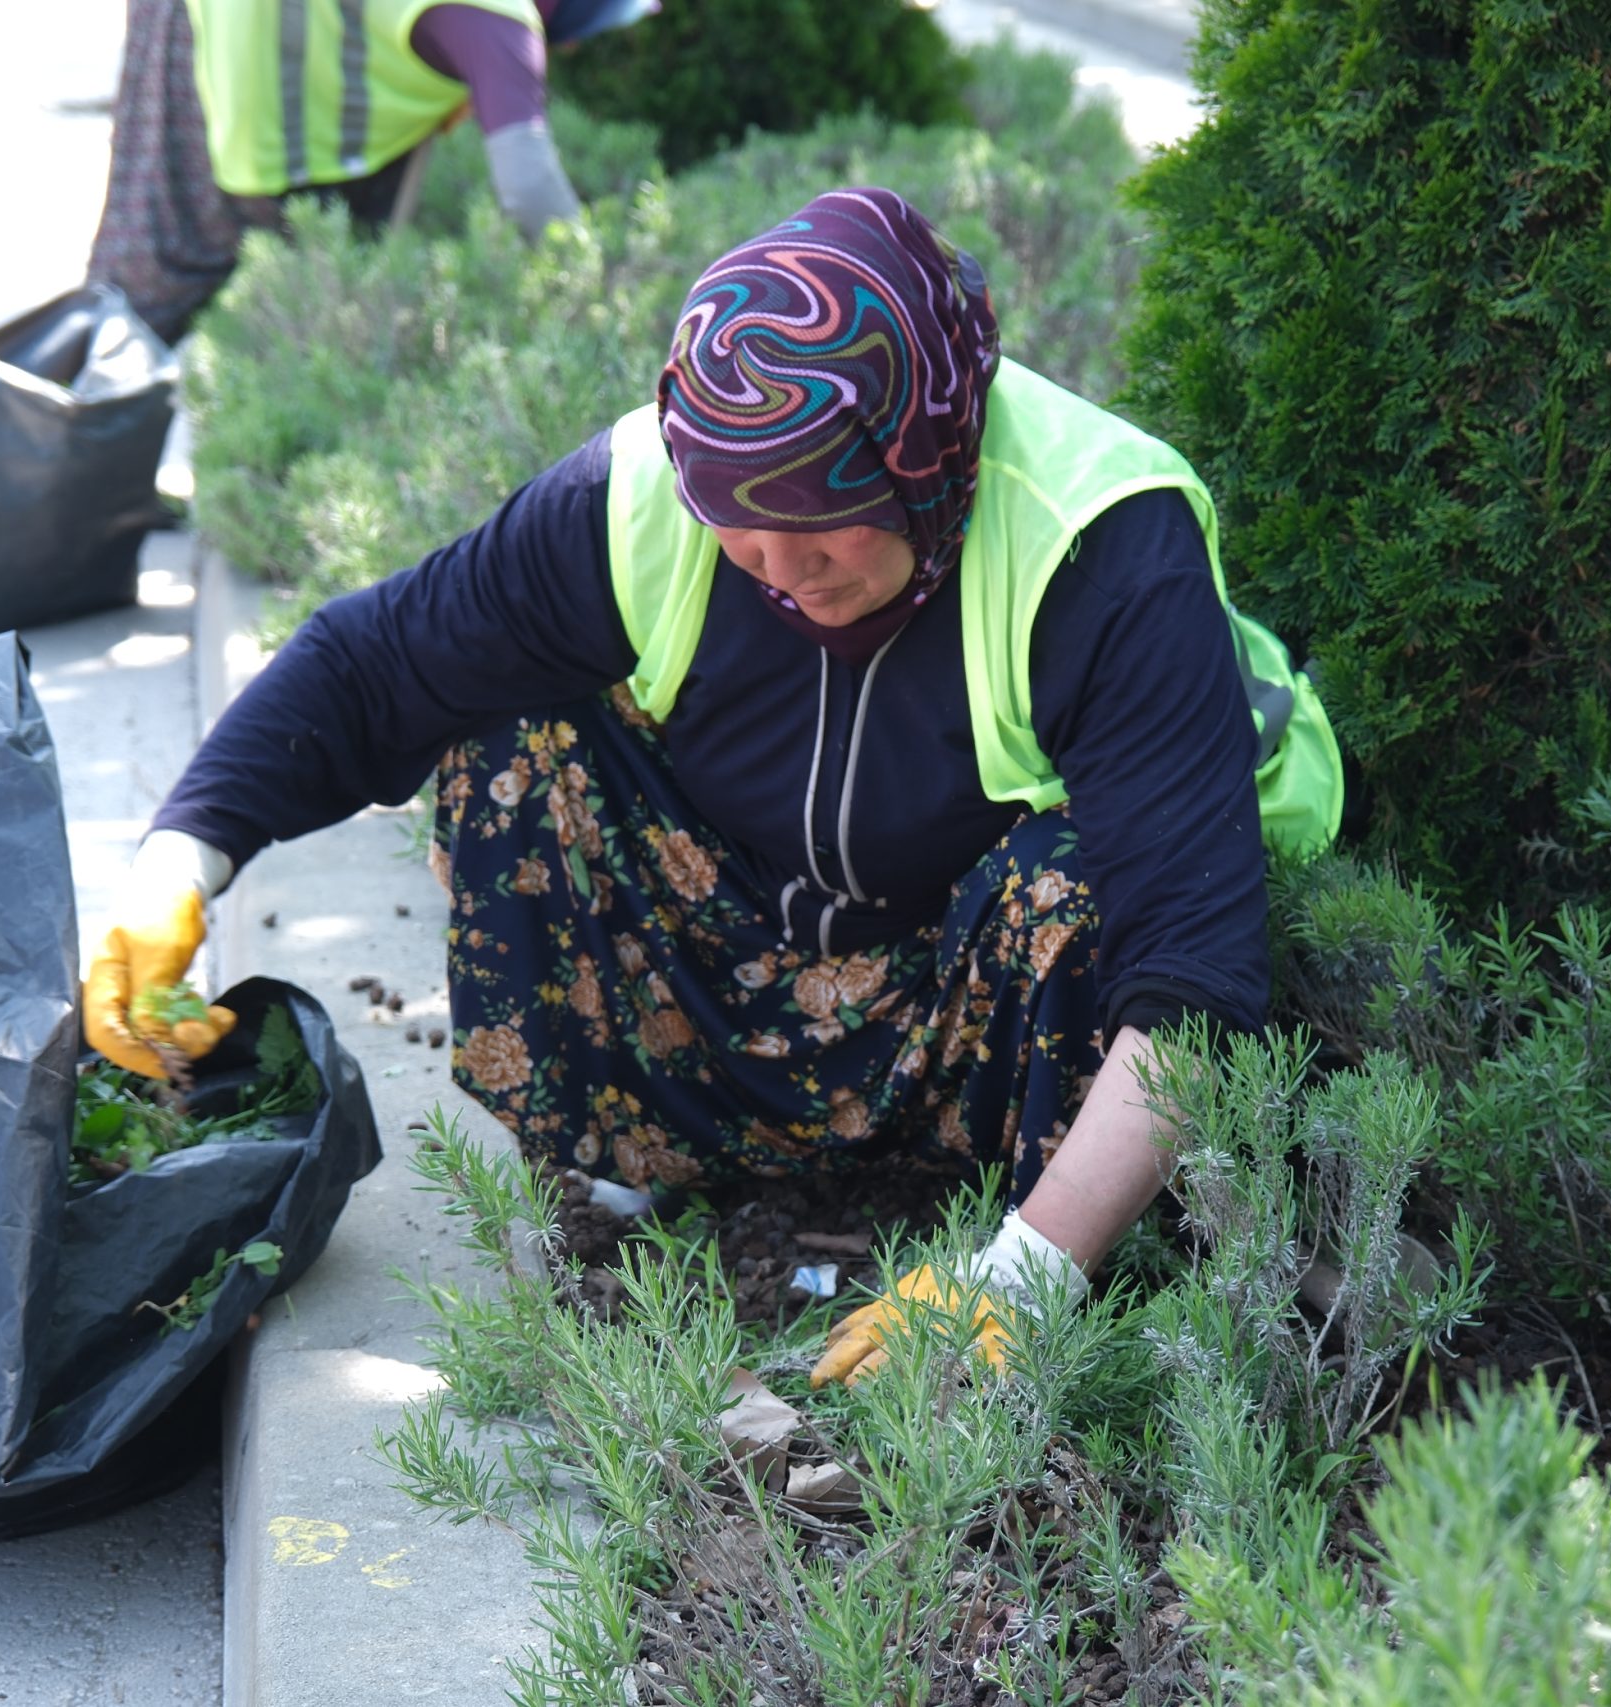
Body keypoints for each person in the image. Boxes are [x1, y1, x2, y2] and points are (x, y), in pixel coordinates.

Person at [83, 188, 1344, 1382]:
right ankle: (648, 1176)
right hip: (757, 974)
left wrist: (1027, 1278)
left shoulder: (1099, 549)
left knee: (1075, 890)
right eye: (741, 531)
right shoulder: (641, 498)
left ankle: (1002, 1233)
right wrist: (176, 865)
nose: (782, 570)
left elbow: (1193, 982)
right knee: (518, 738)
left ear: (925, 462)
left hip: (974, 1028)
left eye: (823, 524)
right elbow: (374, 666)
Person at [87, 0, 653, 342]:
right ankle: (44, 456)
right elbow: (529, 185)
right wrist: (598, 293)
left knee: (166, 270)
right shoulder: (500, 26)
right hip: (218, 34)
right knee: (155, 270)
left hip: (252, 42)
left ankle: (87, 466)